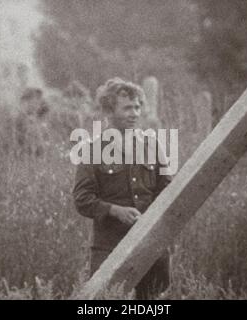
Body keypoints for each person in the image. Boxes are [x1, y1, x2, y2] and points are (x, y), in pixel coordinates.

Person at [72, 78, 172, 299]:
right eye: (127, 108)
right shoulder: (92, 149)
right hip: (109, 246)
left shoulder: (153, 145)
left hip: (150, 243)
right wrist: (115, 211)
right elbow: (81, 199)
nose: (134, 113)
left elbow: (166, 190)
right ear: (109, 110)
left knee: (151, 301)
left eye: (137, 107)